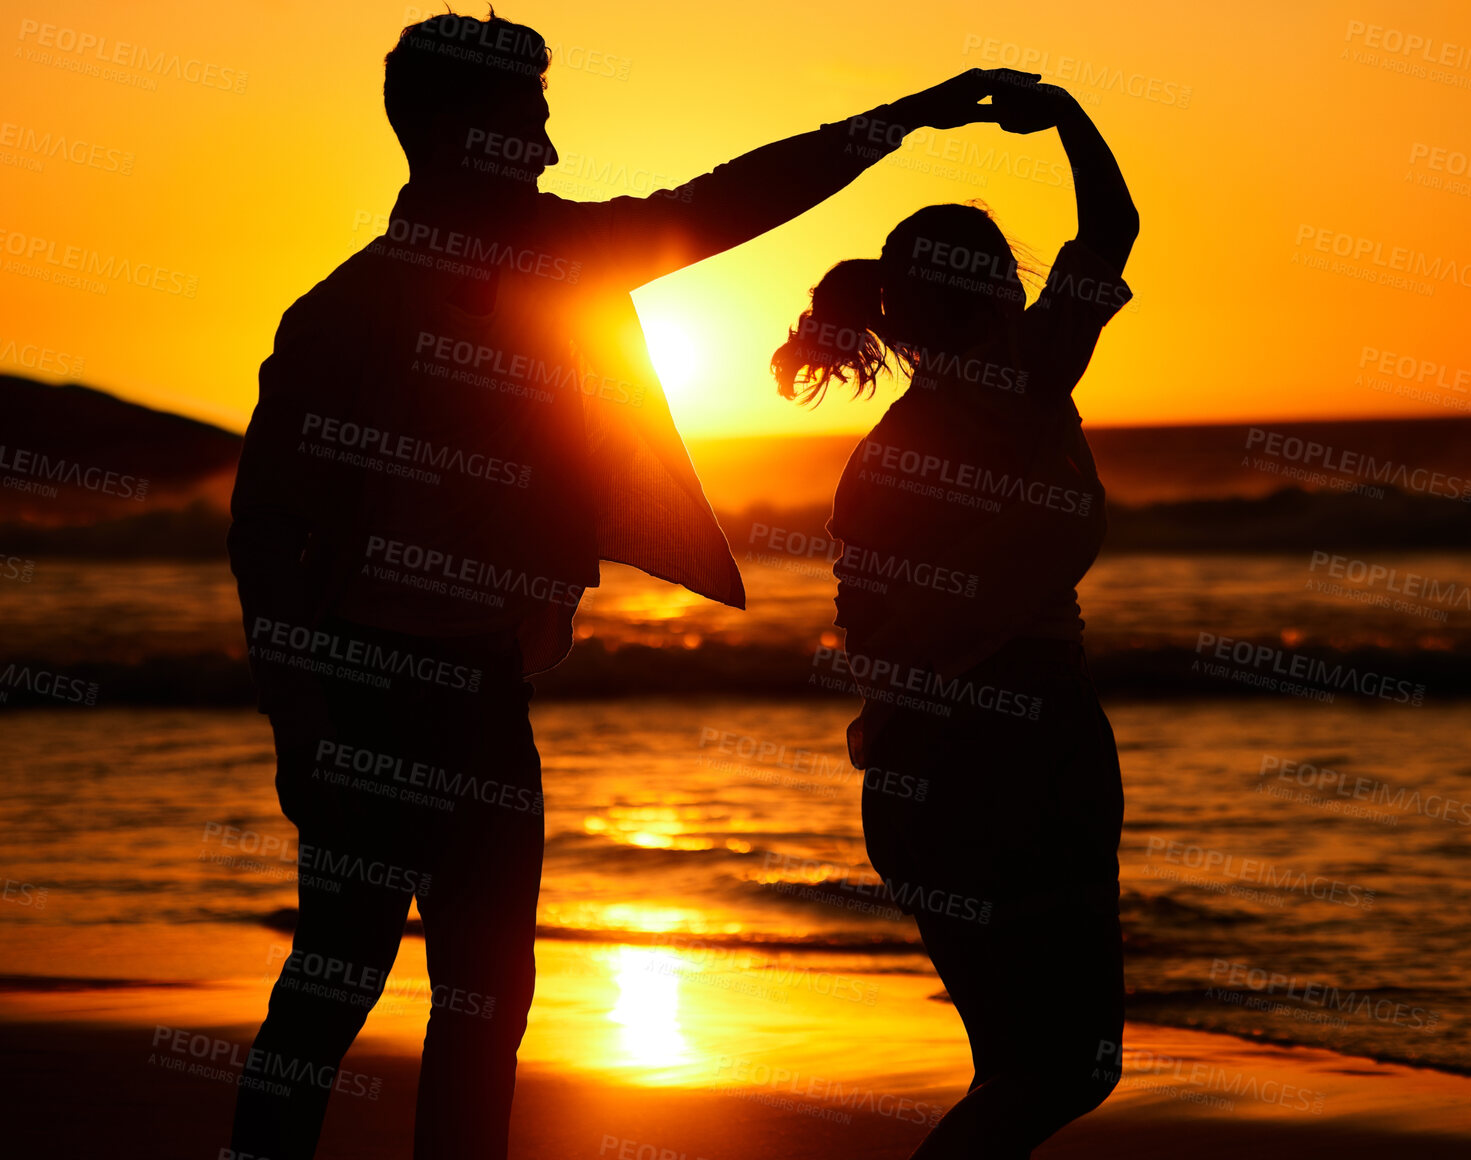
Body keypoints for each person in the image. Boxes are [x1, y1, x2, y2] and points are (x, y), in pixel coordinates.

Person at [226, 11, 1039, 1158]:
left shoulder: (547, 259)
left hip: (484, 686)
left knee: (485, 997)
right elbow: (263, 533)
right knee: (336, 979)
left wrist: (902, 119)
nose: (550, 153)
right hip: (368, 693)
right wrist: (301, 724)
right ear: (462, 136)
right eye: (531, 125)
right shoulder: (341, 315)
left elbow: (718, 203)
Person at [771, 80, 1137, 1159]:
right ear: (996, 295)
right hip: (1022, 747)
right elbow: (1110, 227)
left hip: (914, 778)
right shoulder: (1021, 380)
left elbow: (876, 637)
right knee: (1067, 1068)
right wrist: (1066, 113)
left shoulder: (876, 458)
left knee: (1023, 1071)